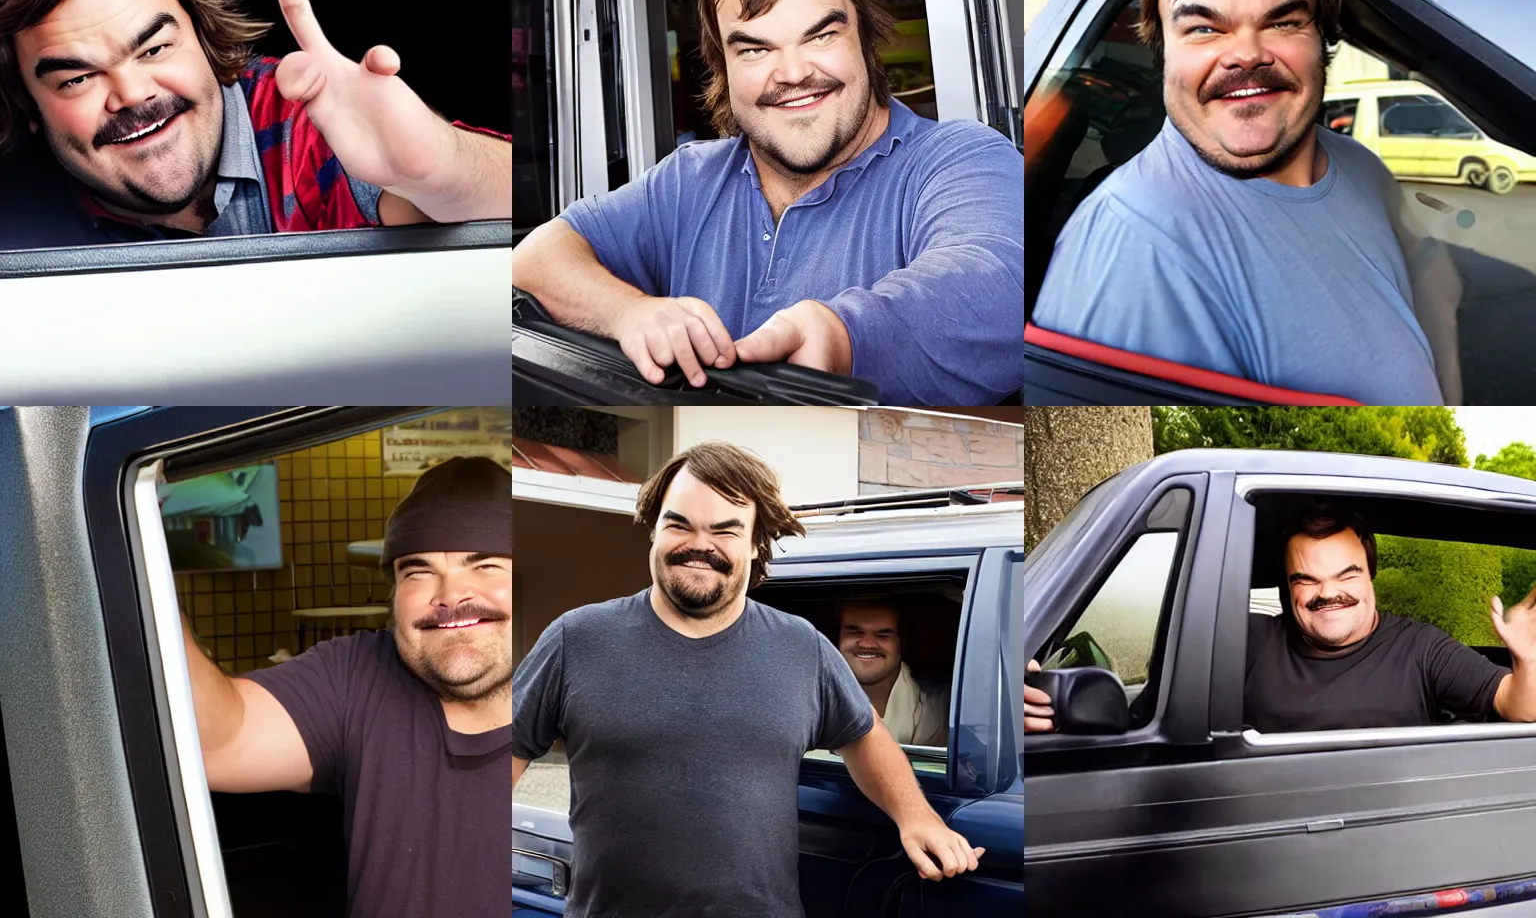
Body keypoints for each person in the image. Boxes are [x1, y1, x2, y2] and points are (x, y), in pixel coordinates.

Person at [509, 0, 1025, 407]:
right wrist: (629, 312)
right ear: (722, 68)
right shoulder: (688, 180)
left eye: (821, 36)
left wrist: (841, 337)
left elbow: (995, 283)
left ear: (864, 40)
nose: (795, 72)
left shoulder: (958, 158)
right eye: (755, 49)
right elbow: (537, 257)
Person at [511, 442, 982, 918]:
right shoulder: (577, 639)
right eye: (679, 524)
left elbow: (864, 735)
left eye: (725, 530)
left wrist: (916, 817)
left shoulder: (803, 648)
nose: (700, 544)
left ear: (756, 542)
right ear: (653, 529)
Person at [1030, 0, 1462, 406]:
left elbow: (1432, 280)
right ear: (1162, 50)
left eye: (1282, 22)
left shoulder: (1362, 167)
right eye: (1204, 28)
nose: (1246, 54)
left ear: (1321, 38)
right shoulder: (1136, 244)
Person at [0, 0, 511, 242]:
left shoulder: (308, 124)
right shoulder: (23, 221)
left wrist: (441, 167)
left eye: (155, 48)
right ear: (28, 108)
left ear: (203, 37)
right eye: (77, 79)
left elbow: (525, 207)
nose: (133, 94)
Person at [179, 455, 512, 918]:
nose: (450, 595)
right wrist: (135, 566)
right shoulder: (358, 676)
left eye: (488, 565)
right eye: (417, 571)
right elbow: (217, 740)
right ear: (393, 594)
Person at [1024, 500, 1536, 736]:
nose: (1327, 593)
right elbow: (1151, 719)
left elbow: (1519, 708)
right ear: (1284, 588)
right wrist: (1047, 704)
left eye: (1346, 575)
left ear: (1371, 576)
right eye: (1306, 580)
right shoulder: (1242, 638)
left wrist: (1529, 663)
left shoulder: (1422, 648)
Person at [837, 598, 950, 747]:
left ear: (902, 644)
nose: (867, 644)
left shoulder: (932, 712)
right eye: (855, 632)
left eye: (883, 635)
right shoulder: (809, 696)